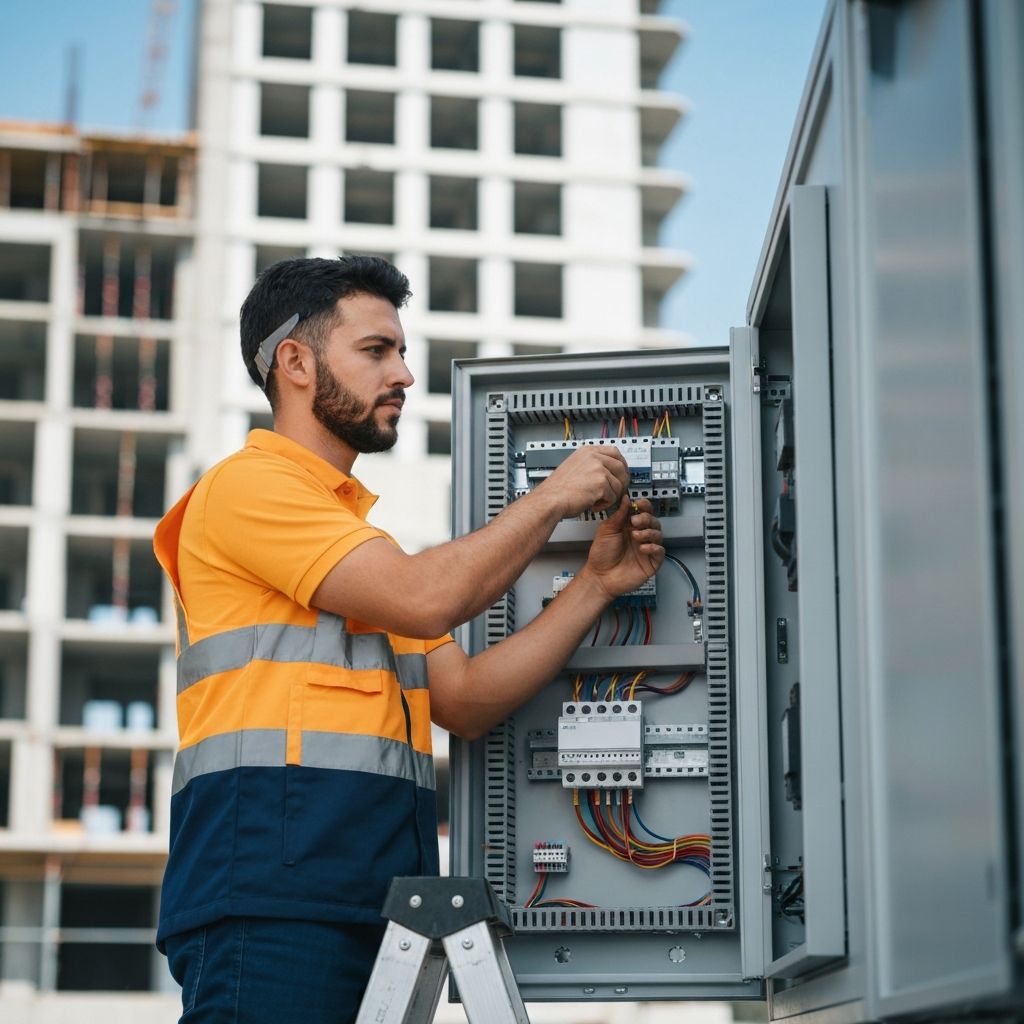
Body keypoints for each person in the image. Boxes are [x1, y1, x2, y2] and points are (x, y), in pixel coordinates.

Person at [153, 255, 664, 1023]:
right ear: (294, 361)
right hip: (271, 903)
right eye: (376, 351)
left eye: (400, 351)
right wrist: (555, 495)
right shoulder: (248, 489)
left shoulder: (354, 544)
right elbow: (428, 598)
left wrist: (595, 587)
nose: (404, 374)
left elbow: (464, 700)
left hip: (372, 906)